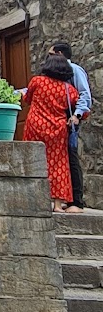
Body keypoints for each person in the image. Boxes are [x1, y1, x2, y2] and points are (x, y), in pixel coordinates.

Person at [22, 53, 79, 212]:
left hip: (36, 125)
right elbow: (82, 109)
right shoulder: (69, 89)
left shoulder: (37, 81)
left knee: (32, 160)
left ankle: (33, 200)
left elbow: (27, 99)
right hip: (57, 129)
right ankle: (58, 204)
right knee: (58, 164)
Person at [49, 41, 92, 213]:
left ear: (60, 54)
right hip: (62, 118)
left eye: (51, 54)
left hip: (71, 117)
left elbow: (84, 95)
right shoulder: (57, 72)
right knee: (64, 158)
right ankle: (69, 199)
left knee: (71, 156)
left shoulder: (74, 70)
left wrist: (76, 115)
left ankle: (77, 202)